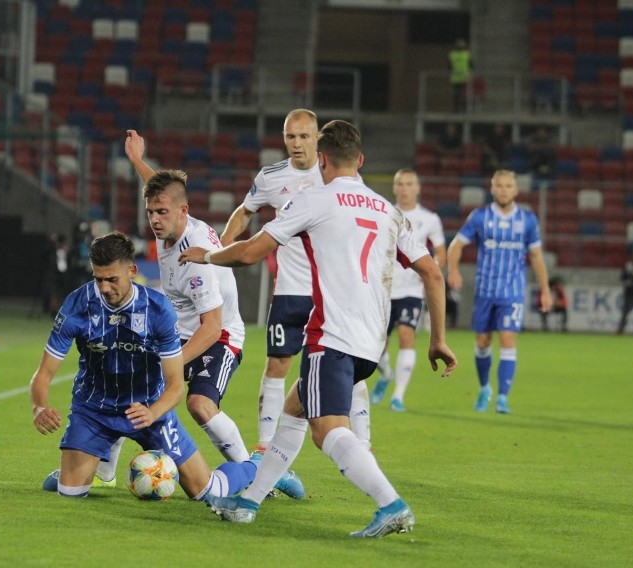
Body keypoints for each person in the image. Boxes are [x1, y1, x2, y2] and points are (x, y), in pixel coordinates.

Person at [179, 120, 457, 538]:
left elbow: (252, 251)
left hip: (332, 336)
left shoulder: (315, 199)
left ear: (322, 159)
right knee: (293, 410)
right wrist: (438, 339)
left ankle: (391, 504)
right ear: (360, 161)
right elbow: (433, 274)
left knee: (325, 429)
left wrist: (207, 256)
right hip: (370, 341)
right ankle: (249, 500)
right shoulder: (389, 211)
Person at [118, 133, 302, 498]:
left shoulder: (194, 260)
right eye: (150, 212)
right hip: (182, 330)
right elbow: (160, 191)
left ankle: (255, 472)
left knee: (199, 404)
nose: (154, 219)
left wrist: (172, 364)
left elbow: (212, 327)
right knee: (127, 385)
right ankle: (102, 471)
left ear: (183, 212)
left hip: (220, 336)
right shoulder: (170, 216)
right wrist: (138, 160)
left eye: (161, 213)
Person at [30, 231, 258, 501]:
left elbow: (174, 386)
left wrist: (153, 413)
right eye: (98, 279)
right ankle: (76, 467)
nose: (103, 288)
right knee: (70, 493)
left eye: (112, 279)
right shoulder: (77, 305)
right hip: (94, 411)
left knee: (207, 493)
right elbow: (43, 374)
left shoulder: (158, 310)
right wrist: (39, 406)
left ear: (132, 271)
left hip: (150, 409)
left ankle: (256, 466)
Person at [218, 109, 370, 452]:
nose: (297, 144)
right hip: (290, 288)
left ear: (318, 138)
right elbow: (245, 211)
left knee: (347, 361)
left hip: (333, 290)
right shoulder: (271, 177)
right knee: (277, 363)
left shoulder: (337, 175)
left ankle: (363, 442)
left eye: (304, 136)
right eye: (291, 137)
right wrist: (222, 245)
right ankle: (264, 446)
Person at [447, 170, 552, 414]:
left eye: (508, 186)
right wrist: (453, 270)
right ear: (492, 189)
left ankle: (503, 397)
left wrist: (545, 289)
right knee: (483, 342)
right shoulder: (480, 217)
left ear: (516, 190)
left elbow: (536, 255)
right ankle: (485, 388)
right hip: (485, 291)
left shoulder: (527, 219)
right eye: (499, 185)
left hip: (512, 291)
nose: (504, 189)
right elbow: (456, 245)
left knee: (507, 338)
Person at [370, 168, 447, 412]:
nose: (404, 188)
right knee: (376, 346)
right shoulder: (384, 214)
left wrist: (430, 274)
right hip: (383, 289)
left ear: (418, 188)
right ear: (394, 188)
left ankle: (398, 396)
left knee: (407, 336)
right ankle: (386, 374)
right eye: (400, 184)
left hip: (411, 291)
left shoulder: (430, 219)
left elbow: (441, 252)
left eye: (409, 184)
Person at [448, 38, 472, 112]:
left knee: (464, 95)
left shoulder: (467, 54)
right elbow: (449, 66)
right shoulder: (452, 54)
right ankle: (456, 110)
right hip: (456, 78)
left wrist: (469, 74)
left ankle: (464, 110)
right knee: (456, 96)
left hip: (465, 78)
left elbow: (471, 65)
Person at [616, 250, 633, 334]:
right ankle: (621, 329)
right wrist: (629, 278)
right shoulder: (628, 266)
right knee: (625, 312)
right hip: (629, 291)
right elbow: (622, 276)